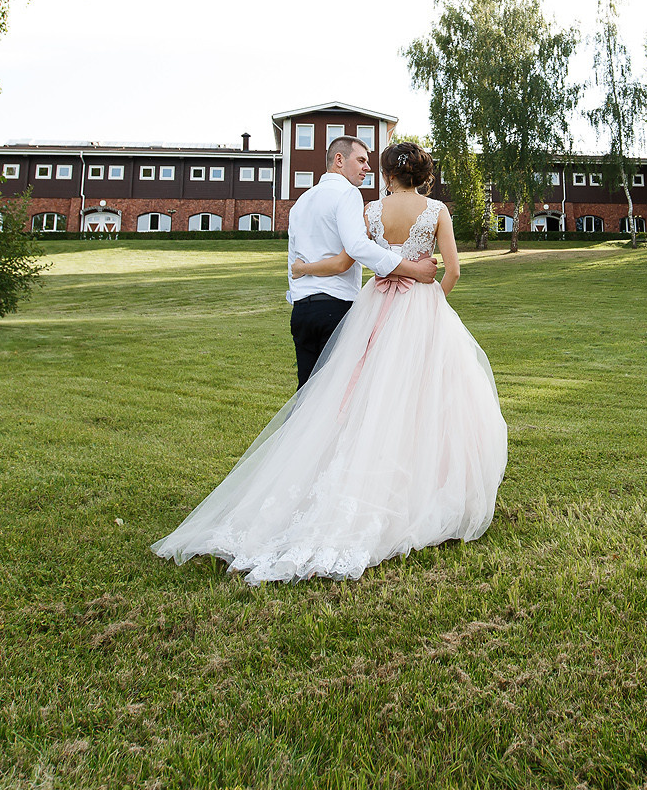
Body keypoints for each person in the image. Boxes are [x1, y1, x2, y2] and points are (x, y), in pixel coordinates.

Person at [152, 140, 508, 585]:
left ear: (386, 175)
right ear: (422, 174)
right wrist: (432, 301)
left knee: (368, 396)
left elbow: (345, 258)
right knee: (427, 394)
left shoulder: (371, 211)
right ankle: (423, 486)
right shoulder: (436, 211)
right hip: (421, 305)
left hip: (374, 306)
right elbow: (451, 270)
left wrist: (303, 270)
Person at [283, 136, 436, 388]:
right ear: (339, 160)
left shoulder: (301, 202)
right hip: (335, 309)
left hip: (302, 311)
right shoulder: (347, 193)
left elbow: (294, 259)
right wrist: (414, 270)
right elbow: (357, 247)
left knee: (306, 396)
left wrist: (300, 284)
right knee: (334, 395)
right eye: (362, 160)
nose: (367, 167)